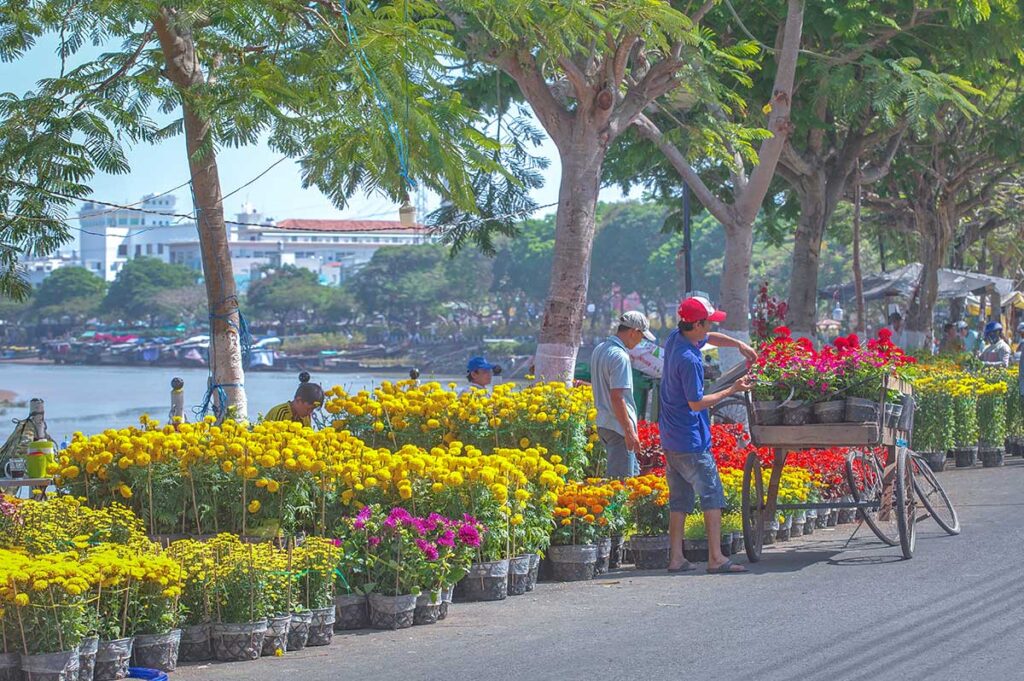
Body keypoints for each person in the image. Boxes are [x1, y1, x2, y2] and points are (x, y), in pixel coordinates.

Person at [660, 296, 756, 574]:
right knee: (712, 494)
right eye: (707, 323)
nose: (709, 327)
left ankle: (676, 558)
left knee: (679, 500)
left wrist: (738, 344)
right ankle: (716, 557)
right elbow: (696, 403)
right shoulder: (689, 360)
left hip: (671, 436)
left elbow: (709, 338)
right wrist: (733, 389)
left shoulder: (676, 338)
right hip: (690, 438)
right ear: (697, 324)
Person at [591, 311, 655, 478]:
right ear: (633, 332)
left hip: (604, 423)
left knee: (628, 478)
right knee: (621, 485)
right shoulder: (620, 356)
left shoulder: (600, 349)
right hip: (617, 427)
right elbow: (617, 397)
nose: (641, 341)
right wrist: (629, 432)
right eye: (642, 336)